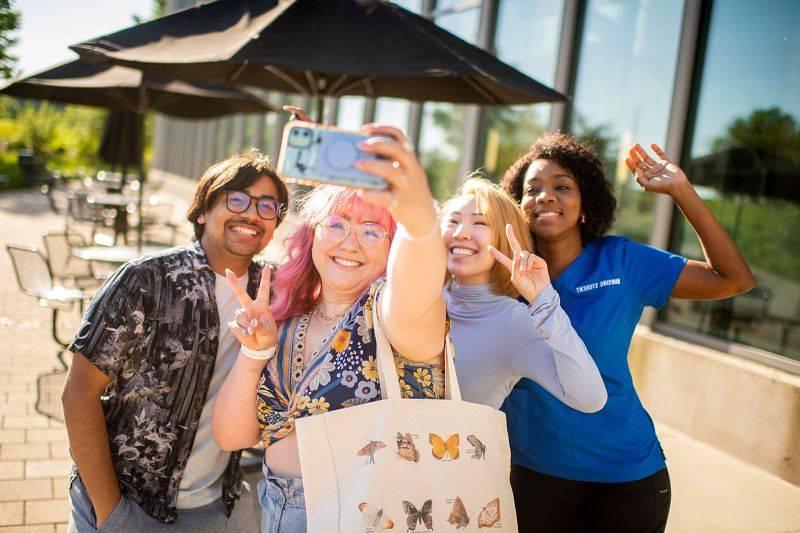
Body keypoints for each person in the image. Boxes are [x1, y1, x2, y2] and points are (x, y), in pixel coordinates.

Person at [499, 132, 756, 532]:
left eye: (562, 187)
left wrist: (681, 191)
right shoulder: (500, 276)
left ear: (586, 205)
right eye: (532, 190)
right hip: (534, 474)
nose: (545, 197)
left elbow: (733, 278)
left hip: (625, 478)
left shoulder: (622, 262)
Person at [212, 125, 447, 532]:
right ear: (313, 234)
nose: (349, 243)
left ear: (394, 249)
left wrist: (419, 221)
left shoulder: (391, 315)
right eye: (337, 224)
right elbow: (232, 438)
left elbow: (417, 282)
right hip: (279, 511)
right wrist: (254, 354)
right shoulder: (286, 320)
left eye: (373, 231)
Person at [61, 152, 289, 532]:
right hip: (128, 502)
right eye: (236, 199)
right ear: (202, 211)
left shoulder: (275, 293)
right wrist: (111, 512)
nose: (252, 213)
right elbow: (78, 393)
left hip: (218, 504)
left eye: (267, 206)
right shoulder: (145, 280)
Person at [441, 177, 607, 412]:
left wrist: (544, 301)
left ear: (505, 240)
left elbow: (590, 398)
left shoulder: (513, 323)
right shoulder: (418, 296)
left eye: (479, 223)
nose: (461, 233)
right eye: (453, 220)